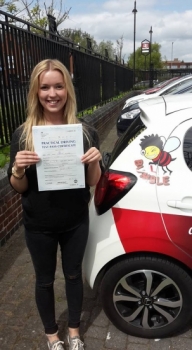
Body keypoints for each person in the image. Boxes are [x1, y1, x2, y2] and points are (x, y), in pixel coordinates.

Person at [7, 59, 102, 350]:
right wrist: (18, 170)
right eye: (45, 87)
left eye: (58, 86)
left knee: (73, 276)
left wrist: (95, 161)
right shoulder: (24, 135)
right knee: (45, 280)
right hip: (39, 224)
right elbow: (18, 187)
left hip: (75, 220)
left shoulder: (84, 132)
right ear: (36, 92)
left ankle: (74, 332)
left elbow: (93, 181)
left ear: (67, 90)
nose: (52, 93)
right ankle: (52, 335)